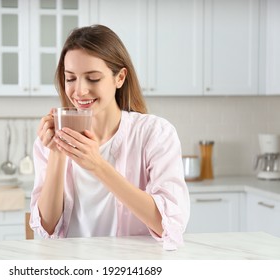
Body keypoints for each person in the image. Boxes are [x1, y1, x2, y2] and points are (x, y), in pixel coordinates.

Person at [29, 24, 190, 250]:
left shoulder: (154, 133)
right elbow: (46, 228)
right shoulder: (50, 139)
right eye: (70, 78)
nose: (80, 91)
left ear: (120, 78)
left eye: (93, 78)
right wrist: (57, 153)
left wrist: (98, 166)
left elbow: (169, 226)